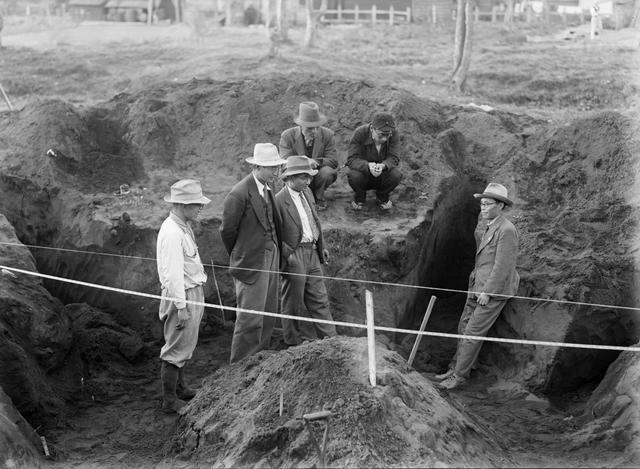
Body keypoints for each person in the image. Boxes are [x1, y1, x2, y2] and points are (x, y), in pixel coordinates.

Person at [437, 183, 520, 390]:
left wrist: (487, 292)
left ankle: (459, 377)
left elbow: (503, 266)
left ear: (500, 206)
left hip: (491, 292)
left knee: (472, 333)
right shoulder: (490, 225)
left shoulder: (507, 230)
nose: (482, 208)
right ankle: (455, 367)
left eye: (487, 204)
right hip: (477, 286)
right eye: (481, 204)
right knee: (463, 328)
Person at [220, 143, 287, 363]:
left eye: (277, 166)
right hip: (251, 261)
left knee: (268, 311)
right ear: (257, 166)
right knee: (250, 317)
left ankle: (260, 360)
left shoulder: (268, 189)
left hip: (271, 254)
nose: (276, 172)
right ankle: (239, 366)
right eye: (271, 167)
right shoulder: (239, 194)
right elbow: (228, 231)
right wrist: (242, 255)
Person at [156, 179, 210, 413]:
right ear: (183, 204)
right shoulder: (171, 233)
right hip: (182, 295)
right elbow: (173, 274)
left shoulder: (182, 227)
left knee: (185, 344)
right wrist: (181, 306)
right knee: (176, 348)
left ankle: (180, 388)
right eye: (197, 204)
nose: (201, 208)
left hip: (190, 292)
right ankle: (169, 401)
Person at [275, 155, 338, 346]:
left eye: (309, 177)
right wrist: (288, 255)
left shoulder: (308, 193)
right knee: (293, 302)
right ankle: (293, 341)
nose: (308, 181)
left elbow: (314, 221)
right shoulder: (278, 201)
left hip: (312, 253)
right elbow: (274, 233)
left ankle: (331, 341)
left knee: (320, 298)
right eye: (303, 177)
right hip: (295, 255)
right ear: (289, 178)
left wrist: (322, 245)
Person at [279, 102, 339, 210]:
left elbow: (333, 161)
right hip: (296, 175)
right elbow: (284, 162)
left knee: (327, 172)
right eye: (310, 128)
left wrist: (316, 161)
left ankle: (318, 198)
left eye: (317, 127)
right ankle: (295, 199)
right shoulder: (287, 136)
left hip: (316, 176)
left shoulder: (328, 135)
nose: (314, 131)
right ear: (300, 126)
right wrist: (304, 162)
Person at [346, 112, 403, 211]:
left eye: (388, 135)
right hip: (364, 174)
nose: (385, 139)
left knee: (396, 175)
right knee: (353, 175)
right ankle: (360, 197)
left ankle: (382, 197)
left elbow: (394, 157)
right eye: (381, 135)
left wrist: (383, 166)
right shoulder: (360, 133)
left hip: (383, 175)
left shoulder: (394, 134)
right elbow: (352, 159)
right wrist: (368, 166)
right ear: (372, 129)